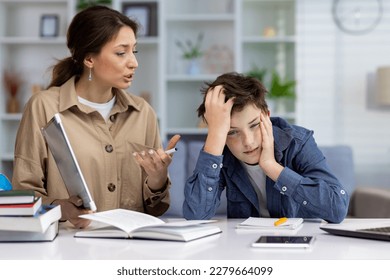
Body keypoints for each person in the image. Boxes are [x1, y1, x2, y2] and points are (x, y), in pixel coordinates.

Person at [12, 6, 180, 228]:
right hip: (68, 247)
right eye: (121, 53)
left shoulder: (143, 113)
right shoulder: (43, 107)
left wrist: (158, 179)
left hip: (132, 248)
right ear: (89, 59)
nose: (134, 63)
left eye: (134, 51)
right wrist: (61, 208)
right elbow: (24, 194)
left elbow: (155, 209)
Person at [183, 72, 348, 223]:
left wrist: (272, 167)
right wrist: (216, 135)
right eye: (232, 132)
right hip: (243, 247)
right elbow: (196, 216)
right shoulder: (218, 149)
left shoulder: (298, 142)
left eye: (254, 125)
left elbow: (337, 209)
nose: (248, 141)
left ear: (267, 116)